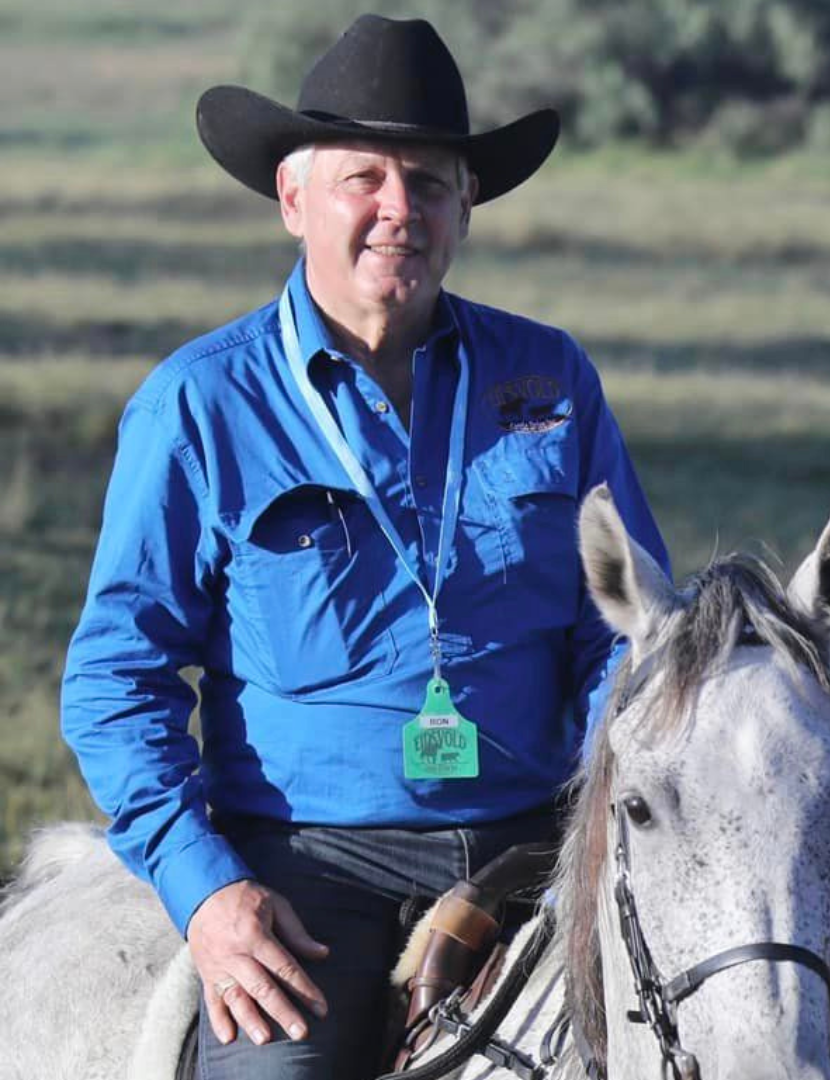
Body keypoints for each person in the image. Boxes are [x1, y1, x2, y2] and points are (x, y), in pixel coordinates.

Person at [57, 16, 671, 1078]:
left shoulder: (550, 380)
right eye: (364, 179)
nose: (401, 210)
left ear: (466, 206)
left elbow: (629, 632)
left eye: (430, 181)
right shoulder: (201, 404)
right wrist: (208, 891)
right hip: (306, 868)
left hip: (537, 844)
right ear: (294, 200)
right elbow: (116, 681)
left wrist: (600, 816)